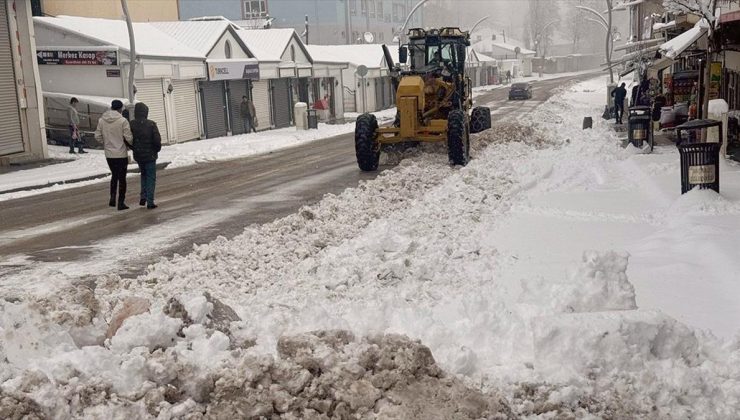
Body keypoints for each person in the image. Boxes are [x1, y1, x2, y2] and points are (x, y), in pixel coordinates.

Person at [95, 100, 133, 210]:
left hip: (109, 154)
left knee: (114, 175)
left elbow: (97, 135)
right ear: (120, 108)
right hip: (121, 154)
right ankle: (121, 202)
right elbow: (128, 137)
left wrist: (106, 142)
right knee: (122, 178)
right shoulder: (122, 121)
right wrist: (129, 145)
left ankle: (112, 197)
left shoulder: (102, 120)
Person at [130, 102, 161, 209]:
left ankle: (143, 196)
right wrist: (156, 150)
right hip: (150, 155)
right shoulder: (151, 124)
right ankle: (150, 201)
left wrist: (134, 148)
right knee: (151, 177)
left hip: (138, 155)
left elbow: (128, 139)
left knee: (143, 175)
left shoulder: (131, 124)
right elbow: (157, 140)